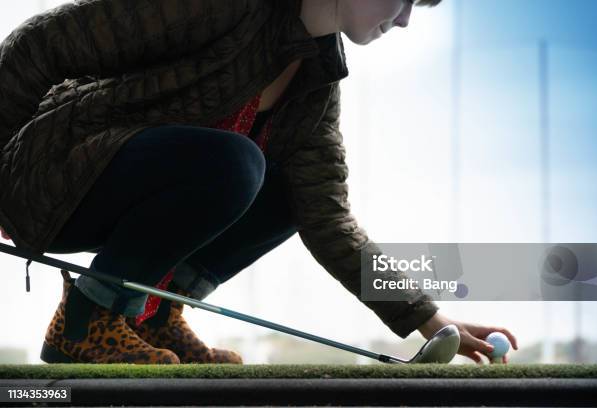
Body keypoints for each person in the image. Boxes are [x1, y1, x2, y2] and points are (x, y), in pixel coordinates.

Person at [0, 0, 518, 365]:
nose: (405, 20)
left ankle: (153, 317)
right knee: (236, 162)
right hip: (50, 176)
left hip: (123, 193)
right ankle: (87, 321)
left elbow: (329, 218)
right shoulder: (224, 6)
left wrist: (430, 321)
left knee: (291, 194)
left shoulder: (316, 81)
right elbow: (37, 45)